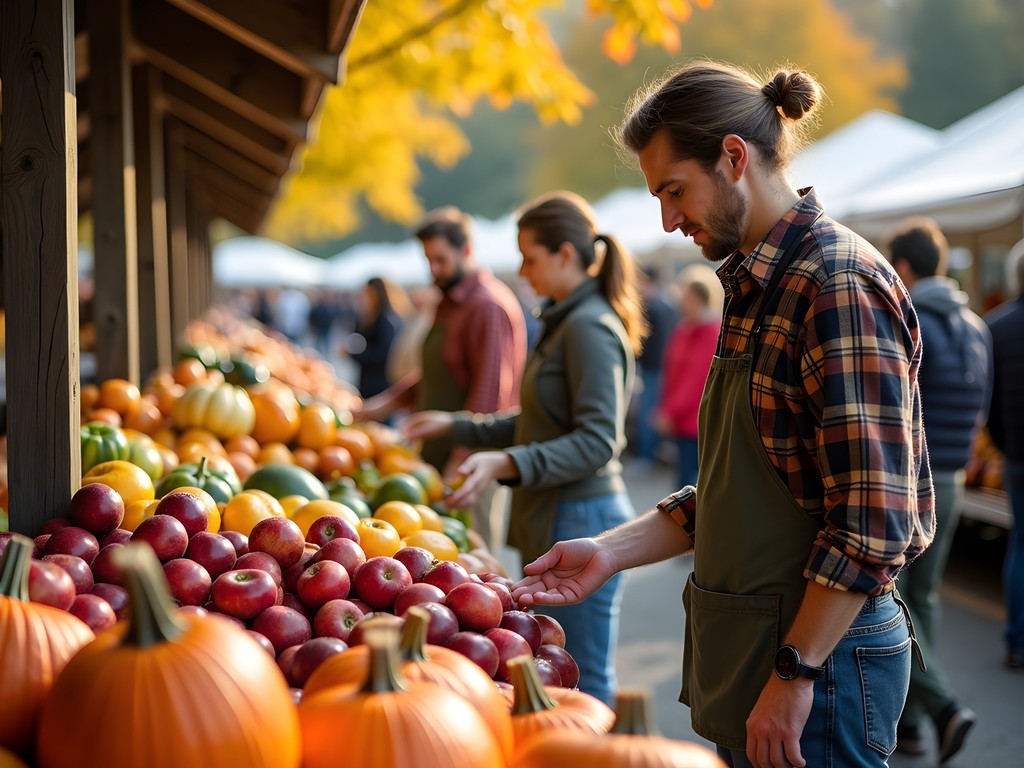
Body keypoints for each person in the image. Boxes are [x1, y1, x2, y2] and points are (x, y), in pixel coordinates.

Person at [511, 61, 935, 768]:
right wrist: (609, 553)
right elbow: (748, 489)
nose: (668, 220)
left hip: (818, 669)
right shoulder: (754, 283)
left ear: (734, 157)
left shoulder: (836, 283)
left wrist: (795, 674)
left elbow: (870, 520)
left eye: (674, 191)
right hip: (762, 656)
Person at [402, 191, 647, 706]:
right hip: (559, 514)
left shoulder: (590, 328)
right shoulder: (565, 322)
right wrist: (457, 425)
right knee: (560, 674)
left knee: (582, 683)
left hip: (583, 516)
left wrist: (507, 460)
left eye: (529, 257)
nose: (521, 269)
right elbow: (534, 420)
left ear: (564, 254)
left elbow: (597, 442)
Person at [356, 207, 528, 553]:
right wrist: (383, 404)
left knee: (469, 554)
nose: (433, 269)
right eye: (428, 260)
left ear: (466, 251)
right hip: (437, 456)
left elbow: (489, 392)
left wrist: (459, 462)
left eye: (441, 260)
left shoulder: (487, 306)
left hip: (470, 461)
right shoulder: (448, 302)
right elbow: (437, 371)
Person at [886, 218, 990, 762]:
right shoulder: (976, 324)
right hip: (951, 482)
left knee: (891, 599)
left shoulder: (909, 318)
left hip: (908, 485)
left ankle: (941, 706)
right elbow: (984, 411)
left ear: (902, 267)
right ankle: (914, 722)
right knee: (921, 598)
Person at [986, 238, 1024, 671]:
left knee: (1021, 545)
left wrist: (1003, 444)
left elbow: (989, 405)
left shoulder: (997, 325)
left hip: (1016, 455)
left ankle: (1016, 639)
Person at [653, 264, 722, 490]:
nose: (681, 302)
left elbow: (697, 381)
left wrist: (670, 412)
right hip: (683, 420)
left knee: (691, 484)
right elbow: (672, 373)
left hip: (697, 421)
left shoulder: (710, 331)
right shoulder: (684, 329)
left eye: (686, 297)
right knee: (684, 479)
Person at [633, 266, 679, 466]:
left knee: (648, 412)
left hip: (653, 367)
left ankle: (647, 457)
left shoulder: (650, 307)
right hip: (667, 366)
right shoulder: (668, 305)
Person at [344, 277, 411, 399]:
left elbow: (383, 353)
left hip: (379, 382)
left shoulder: (385, 319)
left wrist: (355, 354)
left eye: (369, 293)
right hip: (369, 378)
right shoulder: (371, 315)